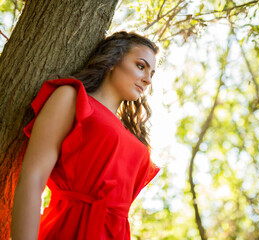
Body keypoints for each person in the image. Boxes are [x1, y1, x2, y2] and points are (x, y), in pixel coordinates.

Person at [10, 31, 161, 240]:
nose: (147, 80)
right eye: (141, 66)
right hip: (70, 229)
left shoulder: (133, 137)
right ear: (113, 61)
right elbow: (33, 179)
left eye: (152, 73)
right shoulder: (73, 98)